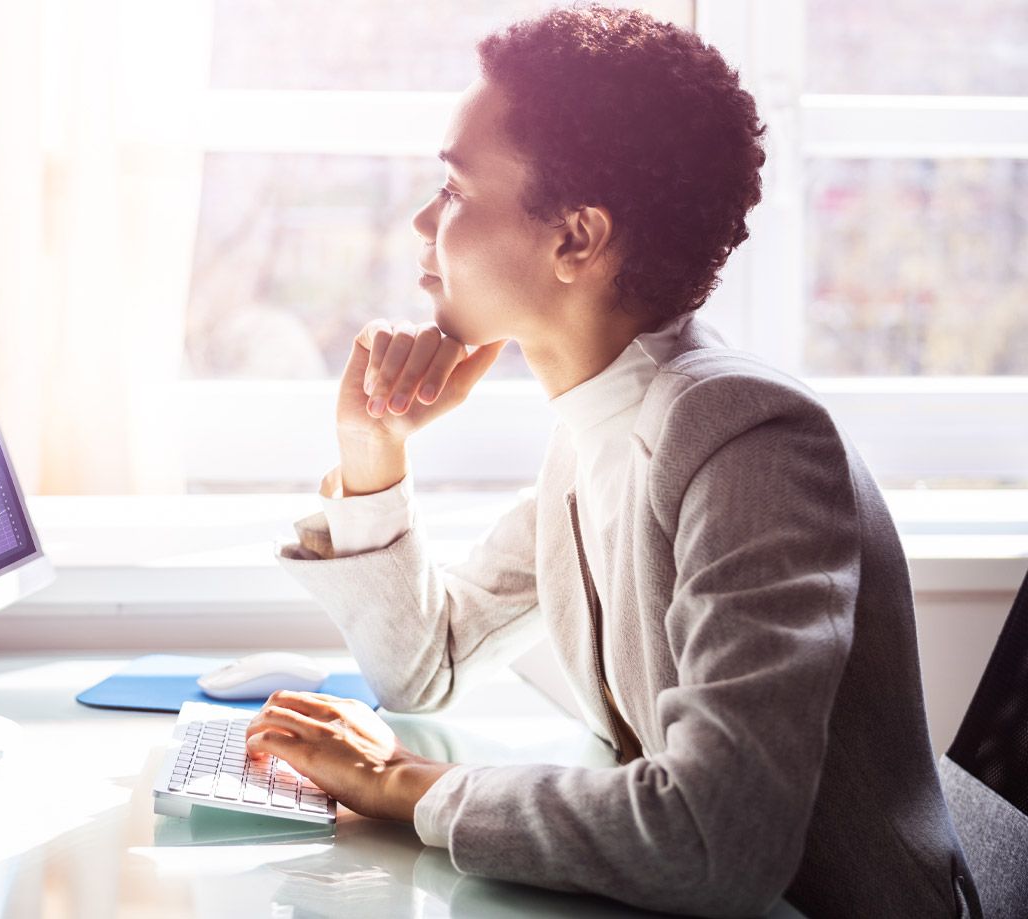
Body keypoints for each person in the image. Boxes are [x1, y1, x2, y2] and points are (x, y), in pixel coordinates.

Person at [245, 7, 978, 917]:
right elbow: (423, 666)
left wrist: (402, 783)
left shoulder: (747, 439)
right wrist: (374, 452)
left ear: (578, 239)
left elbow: (714, 838)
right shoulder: (597, 428)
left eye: (457, 191)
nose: (421, 221)